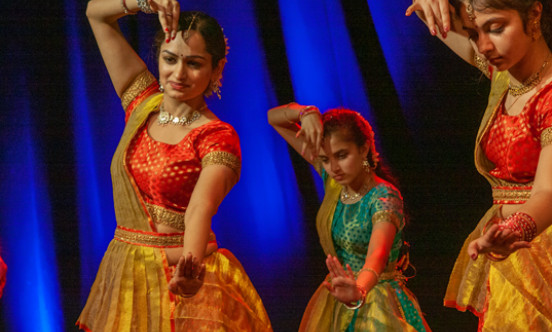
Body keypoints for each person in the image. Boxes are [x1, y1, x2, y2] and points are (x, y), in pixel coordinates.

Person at [77, 1, 272, 331]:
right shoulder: (142, 102)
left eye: (194, 64)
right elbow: (96, 13)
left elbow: (200, 207)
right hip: (127, 275)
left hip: (183, 278)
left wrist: (190, 268)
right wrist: (142, 3)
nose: (178, 74)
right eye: (170, 59)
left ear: (217, 69)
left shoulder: (216, 136)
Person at [406, 0, 552, 329]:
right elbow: (441, 20)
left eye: (497, 28)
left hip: (539, 247)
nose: (484, 46)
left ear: (534, 15)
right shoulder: (503, 75)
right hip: (507, 251)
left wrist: (513, 230)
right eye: (474, 33)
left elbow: (547, 191)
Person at [268, 105, 430, 331]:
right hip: (338, 297)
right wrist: (307, 113)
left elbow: (377, 255)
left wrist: (359, 291)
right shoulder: (334, 181)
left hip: (377, 299)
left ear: (364, 149)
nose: (333, 167)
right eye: (325, 159)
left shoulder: (384, 196)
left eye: (342, 155)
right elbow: (274, 118)